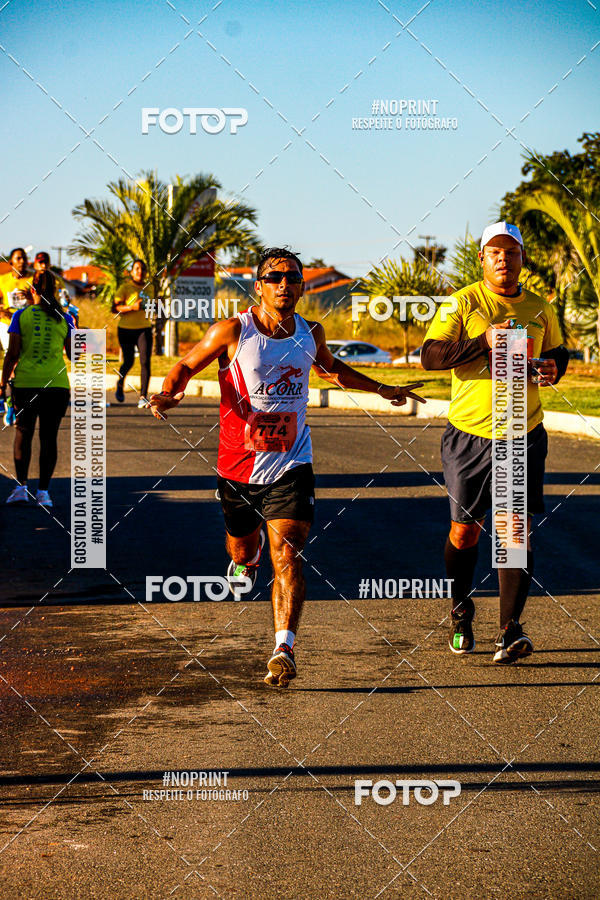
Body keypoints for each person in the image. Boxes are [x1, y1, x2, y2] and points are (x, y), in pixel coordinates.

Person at [150, 247, 424, 686]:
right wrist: (168, 393)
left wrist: (382, 388)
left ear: (301, 287)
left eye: (292, 278)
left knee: (290, 550)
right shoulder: (232, 331)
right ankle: (247, 555)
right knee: (241, 548)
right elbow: (184, 365)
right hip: (237, 465)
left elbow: (334, 370)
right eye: (275, 277)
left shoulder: (310, 333)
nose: (284, 284)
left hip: (292, 461)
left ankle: (284, 647)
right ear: (259, 286)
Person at [422, 221, 569, 663]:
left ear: (522, 258)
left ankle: (509, 630)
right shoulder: (464, 301)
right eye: (495, 252)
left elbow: (559, 351)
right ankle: (461, 609)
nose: (503, 258)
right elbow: (430, 356)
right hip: (470, 434)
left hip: (521, 434)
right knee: (465, 533)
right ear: (482, 259)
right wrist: (481, 341)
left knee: (514, 535)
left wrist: (554, 368)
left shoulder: (541, 307)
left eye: (511, 251)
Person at [1, 270, 74, 507]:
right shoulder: (65, 318)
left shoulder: (20, 316)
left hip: (26, 384)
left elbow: (12, 354)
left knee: (24, 433)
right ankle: (44, 493)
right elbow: (75, 355)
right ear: (54, 291)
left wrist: (2, 383)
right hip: (57, 386)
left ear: (32, 290)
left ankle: (21, 488)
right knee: (49, 437)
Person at [112, 259, 153, 408]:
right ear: (131, 272)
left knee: (145, 362)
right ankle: (120, 383)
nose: (140, 271)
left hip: (144, 328)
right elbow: (114, 308)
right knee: (129, 361)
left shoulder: (150, 287)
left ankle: (143, 396)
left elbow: (152, 306)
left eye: (142, 268)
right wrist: (132, 307)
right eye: (136, 269)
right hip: (126, 329)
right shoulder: (125, 287)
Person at [0, 248, 32, 351]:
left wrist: (30, 298)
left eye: (24, 258)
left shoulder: (34, 279)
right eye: (18, 258)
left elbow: (41, 302)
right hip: (7, 323)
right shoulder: (2, 280)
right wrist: (2, 312)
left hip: (28, 323)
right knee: (11, 353)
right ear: (11, 262)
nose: (22, 261)